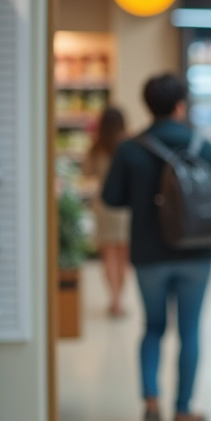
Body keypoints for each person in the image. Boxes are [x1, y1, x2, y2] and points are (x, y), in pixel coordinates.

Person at [102, 74, 211, 421]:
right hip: (196, 252)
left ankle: (151, 403)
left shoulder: (130, 148)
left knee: (153, 328)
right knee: (189, 331)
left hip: (148, 253)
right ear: (180, 105)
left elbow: (111, 198)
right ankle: (183, 409)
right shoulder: (201, 145)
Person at [82, 106, 130, 317]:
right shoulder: (129, 146)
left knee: (109, 256)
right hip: (127, 207)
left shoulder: (96, 147)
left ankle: (115, 300)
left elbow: (86, 173)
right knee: (123, 257)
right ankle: (120, 298)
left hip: (103, 205)